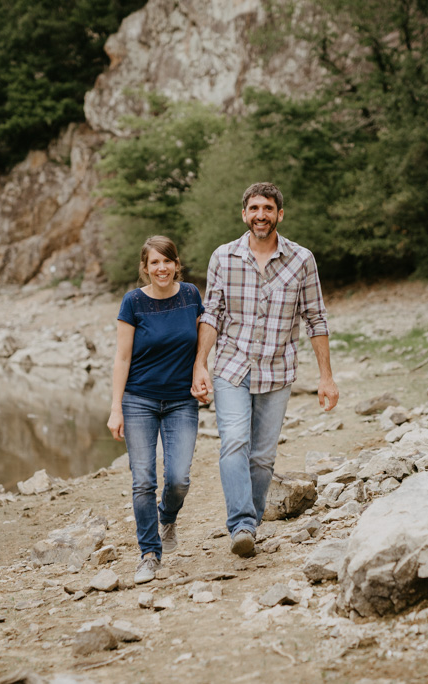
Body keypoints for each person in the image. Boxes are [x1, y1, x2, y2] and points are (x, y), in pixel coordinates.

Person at [191, 182, 339, 558]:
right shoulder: (223, 257)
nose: (261, 215)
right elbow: (212, 314)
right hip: (232, 365)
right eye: (254, 208)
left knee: (262, 457)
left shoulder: (301, 259)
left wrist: (326, 377)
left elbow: (315, 318)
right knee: (235, 441)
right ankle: (240, 523)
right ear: (244, 214)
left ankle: (251, 524)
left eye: (268, 208)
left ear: (279, 215)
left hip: (277, 369)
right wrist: (201, 364)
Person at [108, 236, 204, 584]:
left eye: (167, 261)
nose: (161, 268)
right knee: (143, 480)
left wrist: (202, 375)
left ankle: (168, 516)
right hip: (139, 400)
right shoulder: (133, 302)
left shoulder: (191, 295)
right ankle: (149, 553)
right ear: (145, 268)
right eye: (154, 263)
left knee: (179, 478)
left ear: (177, 264)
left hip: (181, 400)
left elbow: (202, 344)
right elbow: (122, 358)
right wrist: (115, 408)